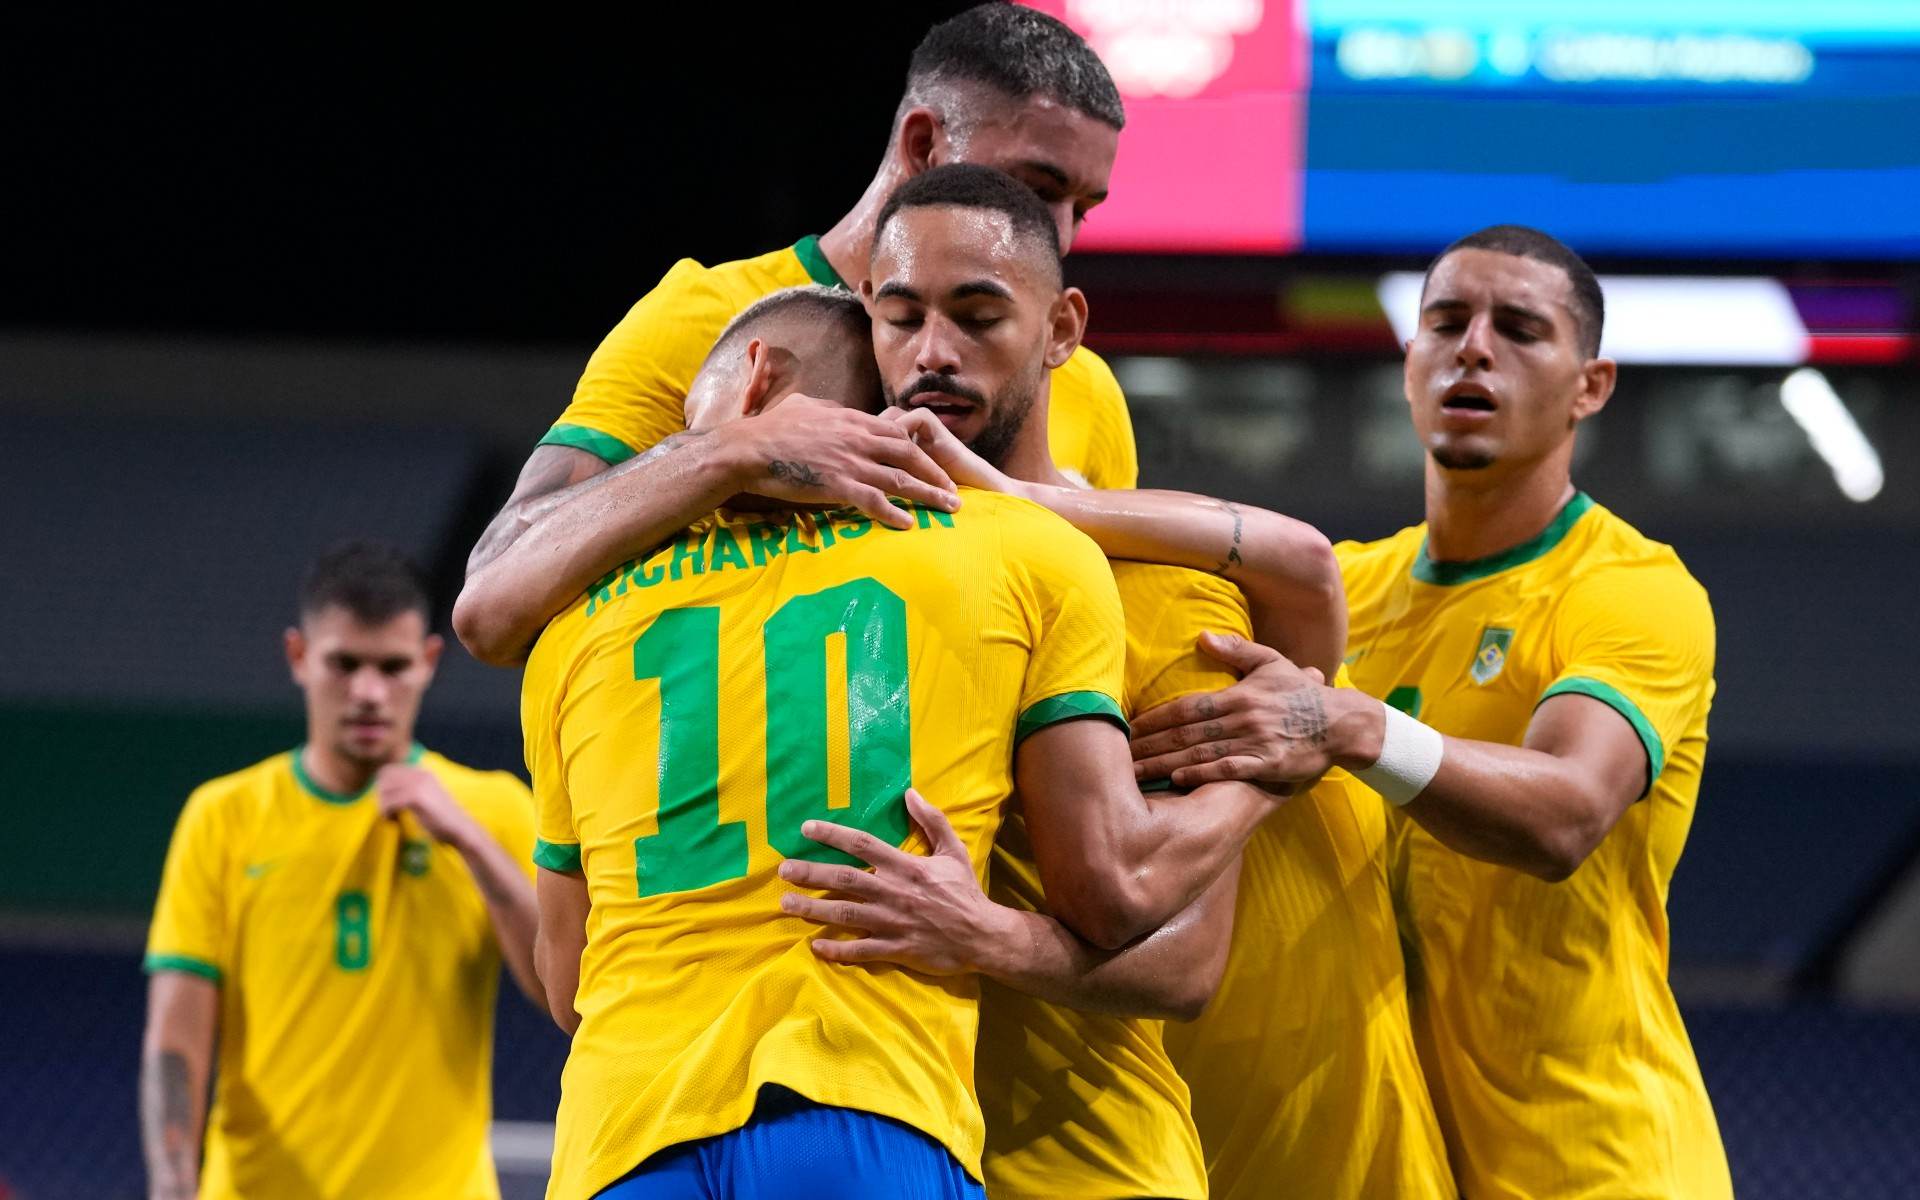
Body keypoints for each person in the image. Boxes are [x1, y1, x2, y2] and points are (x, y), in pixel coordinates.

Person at [522, 280, 1283, 1198]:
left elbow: (567, 985)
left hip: (622, 1137)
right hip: (868, 1104)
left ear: (755, 380)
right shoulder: (1016, 549)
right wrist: (1271, 767)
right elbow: (1119, 889)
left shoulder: (572, 626)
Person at [785, 163, 1454, 1200]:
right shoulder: (829, 580)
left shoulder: (1158, 594)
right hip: (882, 1148)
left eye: (977, 316)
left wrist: (986, 937)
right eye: (901, 316)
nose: (931, 354)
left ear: (1062, 330)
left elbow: (1183, 964)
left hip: (1089, 1164)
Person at [1129, 225, 1731, 1199]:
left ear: (1591, 385)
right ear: (1410, 361)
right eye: (1445, 322)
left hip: (1598, 1161)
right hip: (1393, 1165)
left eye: (1521, 330)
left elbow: (1569, 813)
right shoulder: (1344, 592)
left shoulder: (1632, 591)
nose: (1474, 348)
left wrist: (1354, 727)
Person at [456, 2, 1136, 667]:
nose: (1062, 233)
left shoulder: (1082, 386)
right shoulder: (701, 317)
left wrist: (1244, 691)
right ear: (924, 145)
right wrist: (726, 451)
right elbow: (492, 604)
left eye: (1082, 206)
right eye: (1037, 186)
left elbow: (1114, 649)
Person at [139, 542, 542, 1200]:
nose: (367, 692)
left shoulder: (492, 810)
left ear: (429, 664)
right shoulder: (223, 817)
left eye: (392, 667)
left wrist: (469, 841)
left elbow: (563, 991)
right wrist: (172, 1184)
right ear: (299, 657)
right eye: (344, 664)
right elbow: (176, 1035)